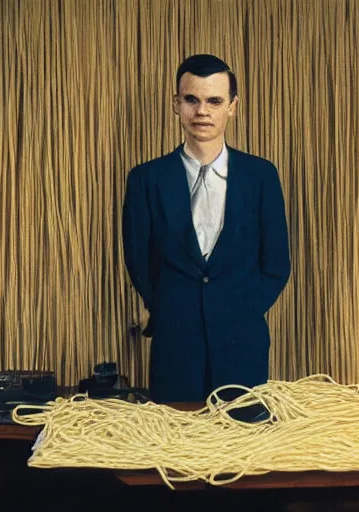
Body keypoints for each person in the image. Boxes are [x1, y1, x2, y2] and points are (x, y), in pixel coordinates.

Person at [121, 54, 290, 402]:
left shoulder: (261, 176)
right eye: (191, 99)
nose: (202, 111)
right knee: (176, 449)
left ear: (233, 106)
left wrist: (240, 309)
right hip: (175, 345)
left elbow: (276, 264)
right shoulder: (146, 179)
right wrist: (169, 309)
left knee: (242, 448)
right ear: (176, 104)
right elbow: (138, 261)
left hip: (242, 345)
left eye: (214, 101)